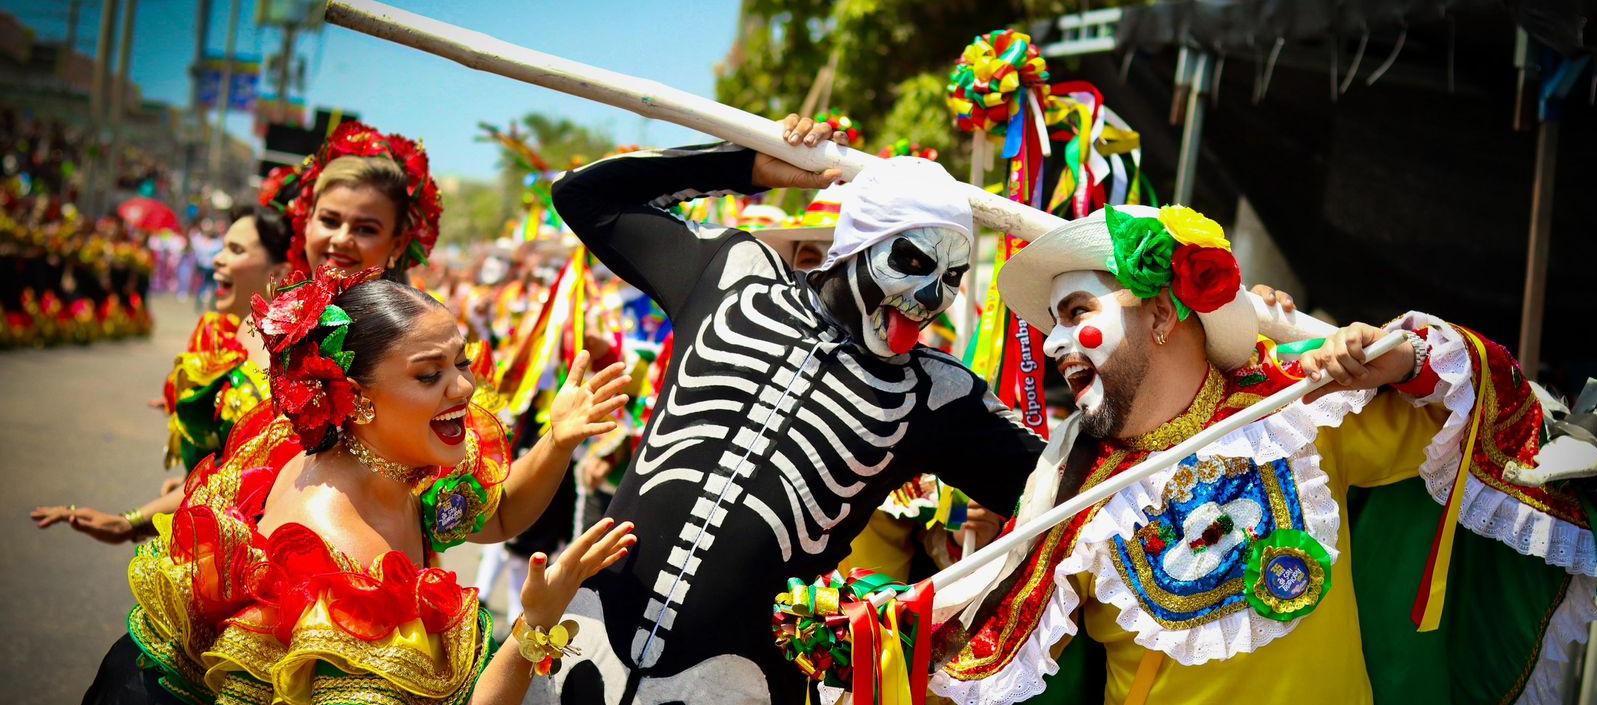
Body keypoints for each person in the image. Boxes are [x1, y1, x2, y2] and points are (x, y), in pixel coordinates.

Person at [929, 204, 1595, 705]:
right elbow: (978, 656)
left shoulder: (1296, 412)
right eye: (1052, 323)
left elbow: (1490, 424)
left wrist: (1402, 357)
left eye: (1076, 311)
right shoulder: (1067, 497)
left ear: (1161, 315)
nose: (1052, 343)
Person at [543, 114, 1045, 704]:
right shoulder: (733, 277)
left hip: (743, 686)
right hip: (578, 652)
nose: (932, 297)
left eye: (952, 277)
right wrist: (749, 164)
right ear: (858, 241)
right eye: (912, 261)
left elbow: (1079, 488)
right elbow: (583, 193)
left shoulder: (939, 396)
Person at [81, 269, 639, 704]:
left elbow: (498, 514)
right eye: (430, 375)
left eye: (461, 363)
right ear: (356, 395)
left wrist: (556, 440)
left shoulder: (389, 456)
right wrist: (534, 629)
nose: (465, 387)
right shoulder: (343, 567)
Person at [31, 205, 294, 543]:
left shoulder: (287, 358)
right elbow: (213, 465)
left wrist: (129, 522)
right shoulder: (216, 334)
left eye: (237, 250)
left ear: (280, 271)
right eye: (223, 246)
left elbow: (237, 476)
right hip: (198, 527)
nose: (218, 259)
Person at [269, 121, 444, 281]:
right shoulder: (271, 313)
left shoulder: (417, 316)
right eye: (329, 221)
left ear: (398, 245)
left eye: (365, 229)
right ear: (307, 222)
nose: (341, 239)